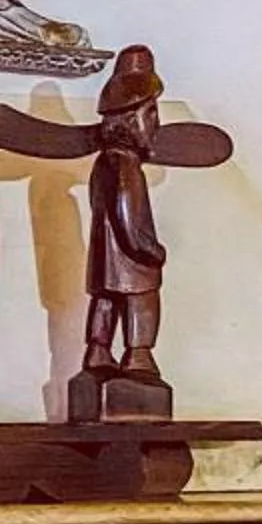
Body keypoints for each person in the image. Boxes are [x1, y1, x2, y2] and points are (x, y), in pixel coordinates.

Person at [76, 46, 171, 415]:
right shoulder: (127, 167)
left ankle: (98, 350)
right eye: (153, 114)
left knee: (105, 301)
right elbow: (128, 215)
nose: (157, 125)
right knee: (141, 300)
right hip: (132, 260)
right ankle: (138, 356)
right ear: (132, 119)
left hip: (105, 257)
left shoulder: (105, 163)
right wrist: (150, 249)